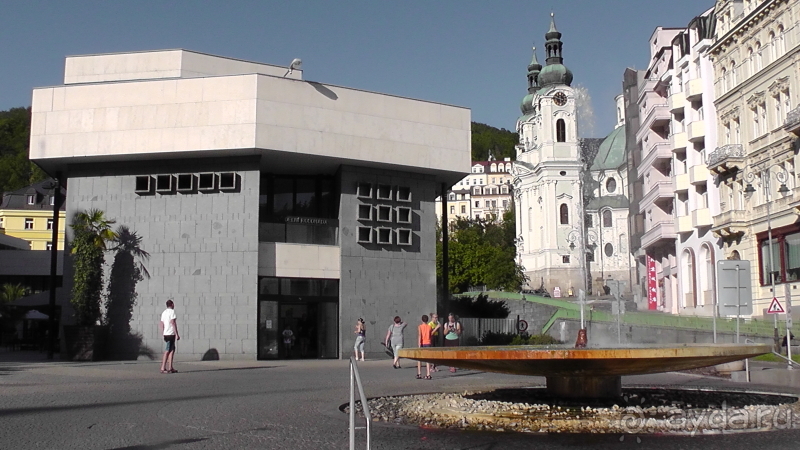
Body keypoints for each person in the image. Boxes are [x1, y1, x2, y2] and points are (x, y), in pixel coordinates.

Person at [159, 299, 180, 374]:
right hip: (171, 333)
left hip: (166, 333)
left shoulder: (164, 312)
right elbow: (173, 323)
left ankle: (170, 367)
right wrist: (177, 334)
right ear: (172, 304)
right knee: (168, 350)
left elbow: (161, 324)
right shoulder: (172, 312)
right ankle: (163, 367)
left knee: (172, 349)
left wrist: (163, 333)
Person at [417, 315, 432, 380]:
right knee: (427, 359)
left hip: (422, 343)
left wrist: (419, 344)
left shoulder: (420, 326)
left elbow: (420, 335)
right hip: (428, 343)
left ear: (422, 320)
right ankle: (428, 374)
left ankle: (419, 373)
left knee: (419, 359)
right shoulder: (429, 326)